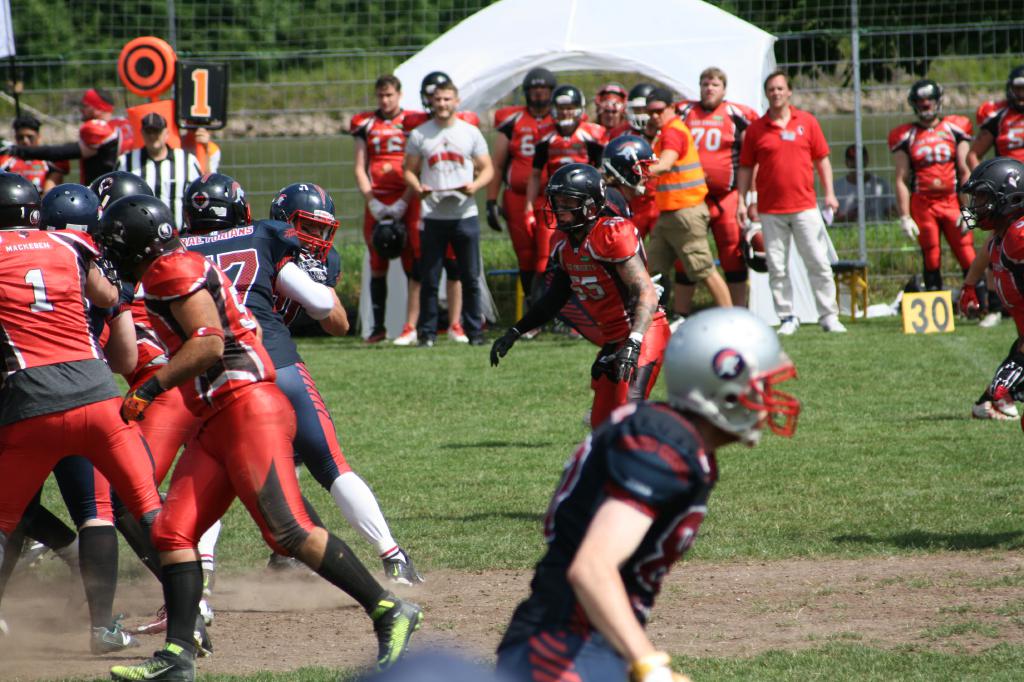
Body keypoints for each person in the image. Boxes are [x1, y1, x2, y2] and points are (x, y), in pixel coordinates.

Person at [93, 195, 422, 680]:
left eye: (114, 246)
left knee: (289, 531)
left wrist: (150, 387)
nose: (109, 255)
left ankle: (389, 610)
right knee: (172, 531)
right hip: (219, 415)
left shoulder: (169, 270)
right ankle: (178, 656)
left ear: (136, 245)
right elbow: (235, 337)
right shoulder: (179, 265)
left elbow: (209, 344)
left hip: (246, 408)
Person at [495, 306, 801, 681]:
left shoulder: (672, 436)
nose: (769, 399)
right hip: (561, 652)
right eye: (762, 385)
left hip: (585, 644)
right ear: (724, 387)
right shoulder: (663, 447)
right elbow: (592, 569)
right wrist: (648, 664)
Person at [184, 175, 422, 585]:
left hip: (217, 368)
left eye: (320, 228)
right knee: (326, 462)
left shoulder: (179, 252)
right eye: (305, 227)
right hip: (276, 360)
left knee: (209, 469)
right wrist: (308, 280)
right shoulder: (266, 239)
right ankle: (392, 557)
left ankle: (201, 576)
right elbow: (330, 313)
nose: (314, 237)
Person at [0, 171, 164, 651]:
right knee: (109, 510)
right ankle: (170, 609)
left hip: (26, 399)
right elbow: (125, 353)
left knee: (10, 514)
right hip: (94, 397)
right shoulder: (75, 251)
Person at [490, 163, 669, 430]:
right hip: (615, 339)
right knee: (601, 426)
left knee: (627, 413)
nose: (559, 209)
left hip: (644, 331)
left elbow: (646, 291)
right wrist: (515, 331)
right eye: (557, 201)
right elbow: (554, 299)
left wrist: (634, 341)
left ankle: (670, 446)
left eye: (568, 202)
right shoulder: (564, 245)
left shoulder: (611, 234)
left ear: (590, 205)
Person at [737, 71, 845, 335]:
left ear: (789, 92)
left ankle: (829, 316)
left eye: (780, 88)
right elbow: (746, 168)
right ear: (766, 94)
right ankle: (787, 317)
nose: (776, 93)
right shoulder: (756, 129)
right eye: (771, 89)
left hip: (805, 205)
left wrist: (830, 193)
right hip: (770, 210)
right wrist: (741, 201)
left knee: (818, 262)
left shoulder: (807, 122)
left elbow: (822, 160)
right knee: (777, 267)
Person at [403, 80, 493, 347]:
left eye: (447, 99)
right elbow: (408, 170)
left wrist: (475, 186)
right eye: (438, 99)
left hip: (465, 213)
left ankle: (475, 332)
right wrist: (418, 188)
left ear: (456, 101)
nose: (442, 104)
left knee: (470, 277)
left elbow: (488, 168)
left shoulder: (470, 132)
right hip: (433, 215)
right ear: (431, 101)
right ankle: (427, 334)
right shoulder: (420, 134)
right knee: (430, 278)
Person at [676, 67, 760, 308]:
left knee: (733, 255)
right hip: (691, 197)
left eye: (714, 84)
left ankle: (739, 312)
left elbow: (755, 150)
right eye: (705, 84)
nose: (709, 89)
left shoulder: (737, 114)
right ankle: (681, 314)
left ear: (724, 89)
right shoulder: (683, 111)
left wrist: (751, 197)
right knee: (685, 256)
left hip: (726, 196)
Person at [645, 87, 733, 314]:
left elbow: (665, 164)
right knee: (649, 272)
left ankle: (732, 319)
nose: (654, 115)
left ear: (671, 108)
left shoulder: (673, 132)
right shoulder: (666, 132)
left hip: (685, 212)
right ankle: (648, 322)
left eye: (659, 110)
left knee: (704, 270)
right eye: (650, 111)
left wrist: (636, 172)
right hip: (669, 214)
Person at [351, 75, 425, 345]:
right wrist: (372, 200)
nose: (385, 100)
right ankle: (378, 327)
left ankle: (413, 326)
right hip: (377, 199)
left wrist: (404, 200)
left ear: (399, 95)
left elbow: (417, 165)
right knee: (377, 260)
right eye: (381, 95)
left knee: (413, 257)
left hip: (407, 198)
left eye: (389, 95)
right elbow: (360, 167)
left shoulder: (412, 121)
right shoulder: (366, 123)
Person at [889, 79, 974, 292]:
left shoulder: (955, 128)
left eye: (929, 100)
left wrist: (969, 209)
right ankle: (935, 296)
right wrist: (904, 216)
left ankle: (980, 302)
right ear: (914, 104)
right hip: (923, 203)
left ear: (938, 101)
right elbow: (901, 178)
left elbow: (965, 170)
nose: (925, 105)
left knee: (966, 252)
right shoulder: (905, 135)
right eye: (921, 102)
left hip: (951, 199)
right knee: (931, 254)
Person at [957, 158, 1024, 421]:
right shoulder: (1002, 236)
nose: (976, 205)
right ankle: (992, 398)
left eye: (984, 197)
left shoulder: (1018, 238)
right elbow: (987, 252)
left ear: (1010, 198)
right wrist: (969, 284)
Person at [486, 68, 557, 301]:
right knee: (525, 255)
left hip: (550, 197)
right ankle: (531, 302)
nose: (538, 94)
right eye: (534, 89)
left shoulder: (560, 121)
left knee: (548, 253)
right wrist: (491, 201)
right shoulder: (513, 120)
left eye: (543, 89)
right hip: (517, 197)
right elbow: (497, 164)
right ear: (526, 92)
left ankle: (549, 305)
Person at [967, 66, 1024, 328]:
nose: (1021, 94)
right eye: (1018, 88)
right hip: (1007, 193)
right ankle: (995, 304)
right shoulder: (999, 117)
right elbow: (973, 153)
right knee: (997, 245)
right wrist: (983, 186)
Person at [525, 84, 605, 254]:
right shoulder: (544, 134)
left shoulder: (592, 134)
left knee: (589, 247)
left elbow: (601, 172)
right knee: (546, 252)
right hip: (555, 200)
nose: (565, 112)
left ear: (579, 108)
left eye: (570, 107)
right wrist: (528, 208)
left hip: (584, 199)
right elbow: (535, 174)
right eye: (561, 108)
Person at [2, 88, 123, 185]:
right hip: (117, 187)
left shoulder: (97, 129)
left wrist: (17, 150)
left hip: (103, 192)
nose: (81, 110)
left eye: (85, 106)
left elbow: (61, 153)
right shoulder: (120, 125)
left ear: (98, 109)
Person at [116, 113, 201, 227]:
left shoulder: (188, 161)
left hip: (180, 233)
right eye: (148, 132)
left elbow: (200, 193)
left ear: (166, 133)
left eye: (157, 131)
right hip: (139, 232)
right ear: (142, 133)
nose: (152, 136)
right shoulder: (125, 161)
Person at [968, 66, 1024, 168]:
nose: (1022, 94)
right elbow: (974, 155)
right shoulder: (997, 115)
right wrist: (982, 177)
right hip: (1009, 175)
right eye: (1018, 88)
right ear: (1010, 88)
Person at [0, 115, 68, 194]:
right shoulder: (6, 160)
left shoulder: (50, 161)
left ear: (38, 136)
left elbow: (50, 193)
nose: (25, 141)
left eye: (30, 137)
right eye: (20, 137)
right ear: (15, 137)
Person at [833, 144, 895, 223]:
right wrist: (846, 218)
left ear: (866, 160)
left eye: (859, 159)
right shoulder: (835, 187)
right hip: (847, 228)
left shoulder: (881, 185)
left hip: (876, 227)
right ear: (846, 162)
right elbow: (829, 220)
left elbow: (893, 214)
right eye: (852, 160)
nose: (856, 163)